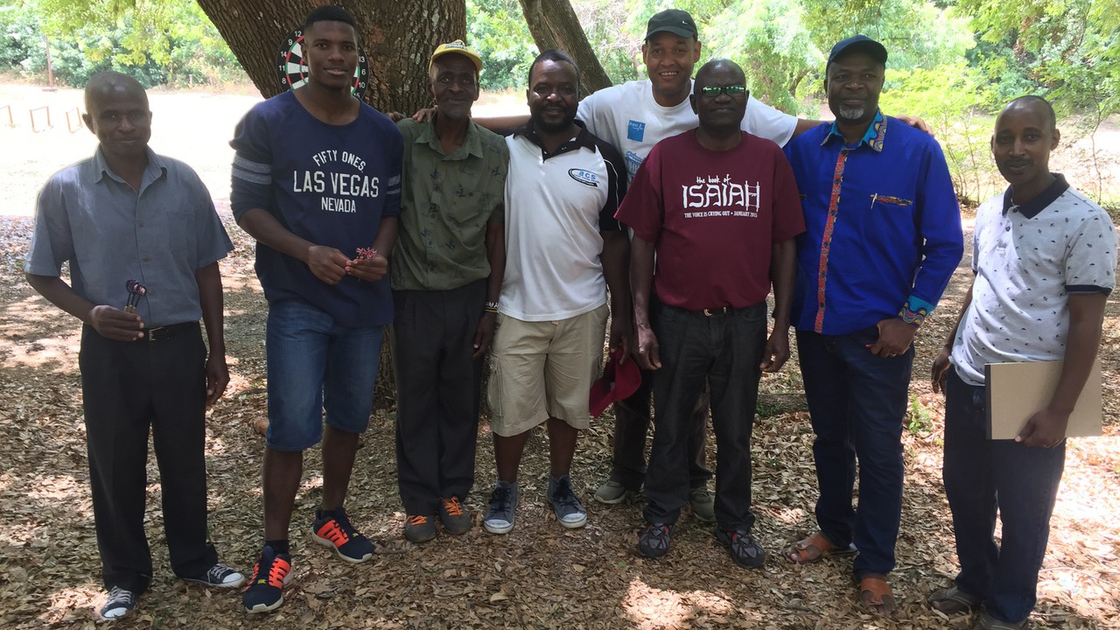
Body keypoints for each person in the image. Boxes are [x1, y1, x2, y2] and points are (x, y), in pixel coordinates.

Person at [24, 71, 243, 621]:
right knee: (115, 465)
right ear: (88, 121)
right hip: (109, 354)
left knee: (185, 460)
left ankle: (195, 559)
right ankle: (124, 576)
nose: (125, 125)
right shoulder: (65, 189)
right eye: (110, 116)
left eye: (135, 113)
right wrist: (89, 314)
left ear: (150, 114)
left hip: (177, 347)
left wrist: (216, 351)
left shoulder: (185, 182)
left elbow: (206, 270)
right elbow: (42, 273)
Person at [229, 5, 402, 613]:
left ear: (358, 55)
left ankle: (330, 515)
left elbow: (389, 208)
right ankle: (273, 549)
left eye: (345, 47)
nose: (335, 56)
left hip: (362, 300)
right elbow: (246, 206)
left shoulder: (381, 132)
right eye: (323, 45)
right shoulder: (268, 121)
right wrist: (306, 252)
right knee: (292, 421)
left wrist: (379, 255)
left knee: (350, 416)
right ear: (304, 51)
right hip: (298, 298)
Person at [782, 35, 964, 613]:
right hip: (816, 328)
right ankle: (834, 527)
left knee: (880, 449)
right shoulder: (805, 150)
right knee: (830, 437)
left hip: (880, 339)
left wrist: (910, 319)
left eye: (865, 75)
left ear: (881, 81)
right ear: (828, 81)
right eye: (842, 75)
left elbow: (945, 244)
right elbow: (787, 235)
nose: (853, 85)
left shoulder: (916, 151)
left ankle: (876, 562)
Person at [928, 96, 1116, 630]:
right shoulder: (991, 209)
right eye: (1005, 138)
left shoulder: (1086, 221)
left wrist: (1060, 409)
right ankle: (975, 581)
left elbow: (1086, 325)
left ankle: (1010, 608)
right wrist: (950, 343)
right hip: (970, 375)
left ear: (1053, 141)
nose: (1017, 149)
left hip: (1031, 386)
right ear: (992, 145)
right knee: (964, 490)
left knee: (1024, 509)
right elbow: (982, 286)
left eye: (1030, 136)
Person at [616, 59, 804, 567]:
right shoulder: (666, 157)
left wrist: (779, 326)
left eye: (733, 88)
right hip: (677, 318)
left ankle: (735, 522)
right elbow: (641, 242)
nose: (722, 97)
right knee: (673, 422)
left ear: (746, 100)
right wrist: (640, 320)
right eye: (712, 89)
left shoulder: (768, 160)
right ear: (695, 99)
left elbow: (786, 244)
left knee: (736, 428)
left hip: (743, 319)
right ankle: (661, 512)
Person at [481, 49, 630, 535]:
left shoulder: (603, 157)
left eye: (564, 88)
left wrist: (623, 314)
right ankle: (505, 487)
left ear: (577, 95)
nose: (554, 97)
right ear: (528, 92)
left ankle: (560, 482)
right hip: (517, 307)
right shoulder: (502, 150)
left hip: (583, 307)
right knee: (511, 407)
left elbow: (612, 239)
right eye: (544, 87)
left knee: (571, 405)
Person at [391, 40, 508, 543]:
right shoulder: (403, 139)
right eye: (446, 78)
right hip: (412, 295)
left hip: (467, 295)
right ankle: (418, 502)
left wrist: (490, 306)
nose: (456, 86)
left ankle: (453, 492)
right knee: (415, 401)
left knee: (462, 400)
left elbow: (497, 234)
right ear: (433, 85)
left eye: (465, 78)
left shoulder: (495, 151)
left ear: (478, 88)